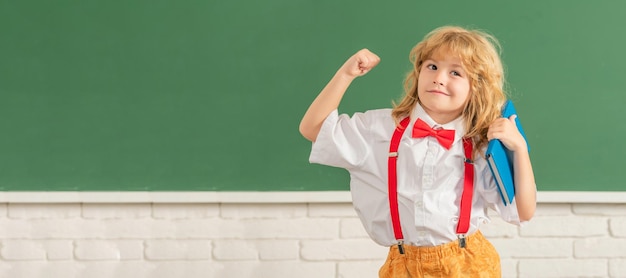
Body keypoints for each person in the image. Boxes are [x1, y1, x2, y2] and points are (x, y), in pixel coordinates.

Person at [299, 26, 536, 277]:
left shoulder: (481, 143)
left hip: (468, 265)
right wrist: (345, 75)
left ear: (476, 86)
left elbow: (524, 211)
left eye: (455, 72)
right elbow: (312, 128)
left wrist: (519, 148)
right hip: (403, 265)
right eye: (432, 66)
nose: (439, 78)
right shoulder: (379, 130)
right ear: (418, 72)